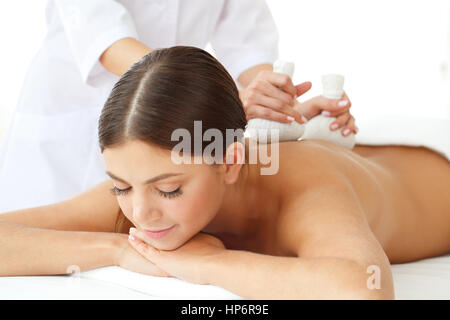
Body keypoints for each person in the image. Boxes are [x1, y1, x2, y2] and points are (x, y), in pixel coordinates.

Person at [3, 46, 435, 299]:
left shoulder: (305, 185)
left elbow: (364, 288)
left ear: (229, 161)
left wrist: (214, 264)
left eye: (169, 190)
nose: (140, 213)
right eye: (120, 186)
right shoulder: (149, 182)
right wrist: (118, 251)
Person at [0, 0, 356, 213]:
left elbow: (249, 48)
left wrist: (278, 101)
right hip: (70, 126)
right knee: (53, 248)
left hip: (169, 118)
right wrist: (218, 96)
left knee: (146, 236)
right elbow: (107, 44)